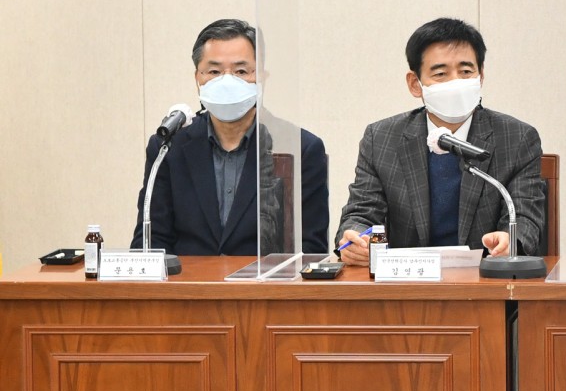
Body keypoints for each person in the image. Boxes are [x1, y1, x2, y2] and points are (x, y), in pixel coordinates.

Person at [337, 18, 544, 263]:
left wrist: (511, 239)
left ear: (480, 76)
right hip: (407, 281)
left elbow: (524, 216)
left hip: (485, 277)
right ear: (415, 84)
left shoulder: (517, 138)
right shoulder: (381, 139)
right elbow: (361, 213)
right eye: (441, 74)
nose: (456, 82)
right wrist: (356, 239)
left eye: (466, 72)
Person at [131, 18, 330, 256]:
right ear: (198, 78)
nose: (227, 82)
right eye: (214, 71)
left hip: (264, 280)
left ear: (262, 77)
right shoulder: (168, 147)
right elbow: (150, 242)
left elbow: (310, 250)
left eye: (241, 71)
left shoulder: (299, 148)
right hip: (188, 279)